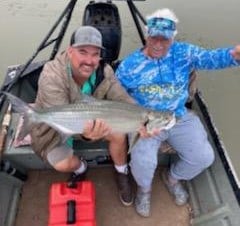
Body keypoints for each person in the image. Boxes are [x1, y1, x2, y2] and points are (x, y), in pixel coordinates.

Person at [115, 8, 240, 217]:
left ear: (172, 38)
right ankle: (144, 191)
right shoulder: (128, 66)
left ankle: (171, 178)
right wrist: (136, 125)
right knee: (143, 162)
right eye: (153, 38)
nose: (157, 44)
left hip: (178, 116)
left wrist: (234, 56)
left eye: (164, 40)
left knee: (204, 157)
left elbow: (211, 58)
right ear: (147, 35)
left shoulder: (183, 53)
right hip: (145, 121)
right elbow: (116, 98)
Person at [30, 26, 135, 206]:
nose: (89, 60)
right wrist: (87, 135)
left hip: (89, 121)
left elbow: (123, 99)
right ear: (70, 51)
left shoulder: (105, 72)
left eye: (95, 54)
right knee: (62, 165)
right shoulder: (52, 75)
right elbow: (60, 116)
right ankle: (81, 167)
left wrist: (142, 118)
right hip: (56, 127)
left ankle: (121, 170)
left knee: (119, 134)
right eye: (83, 52)